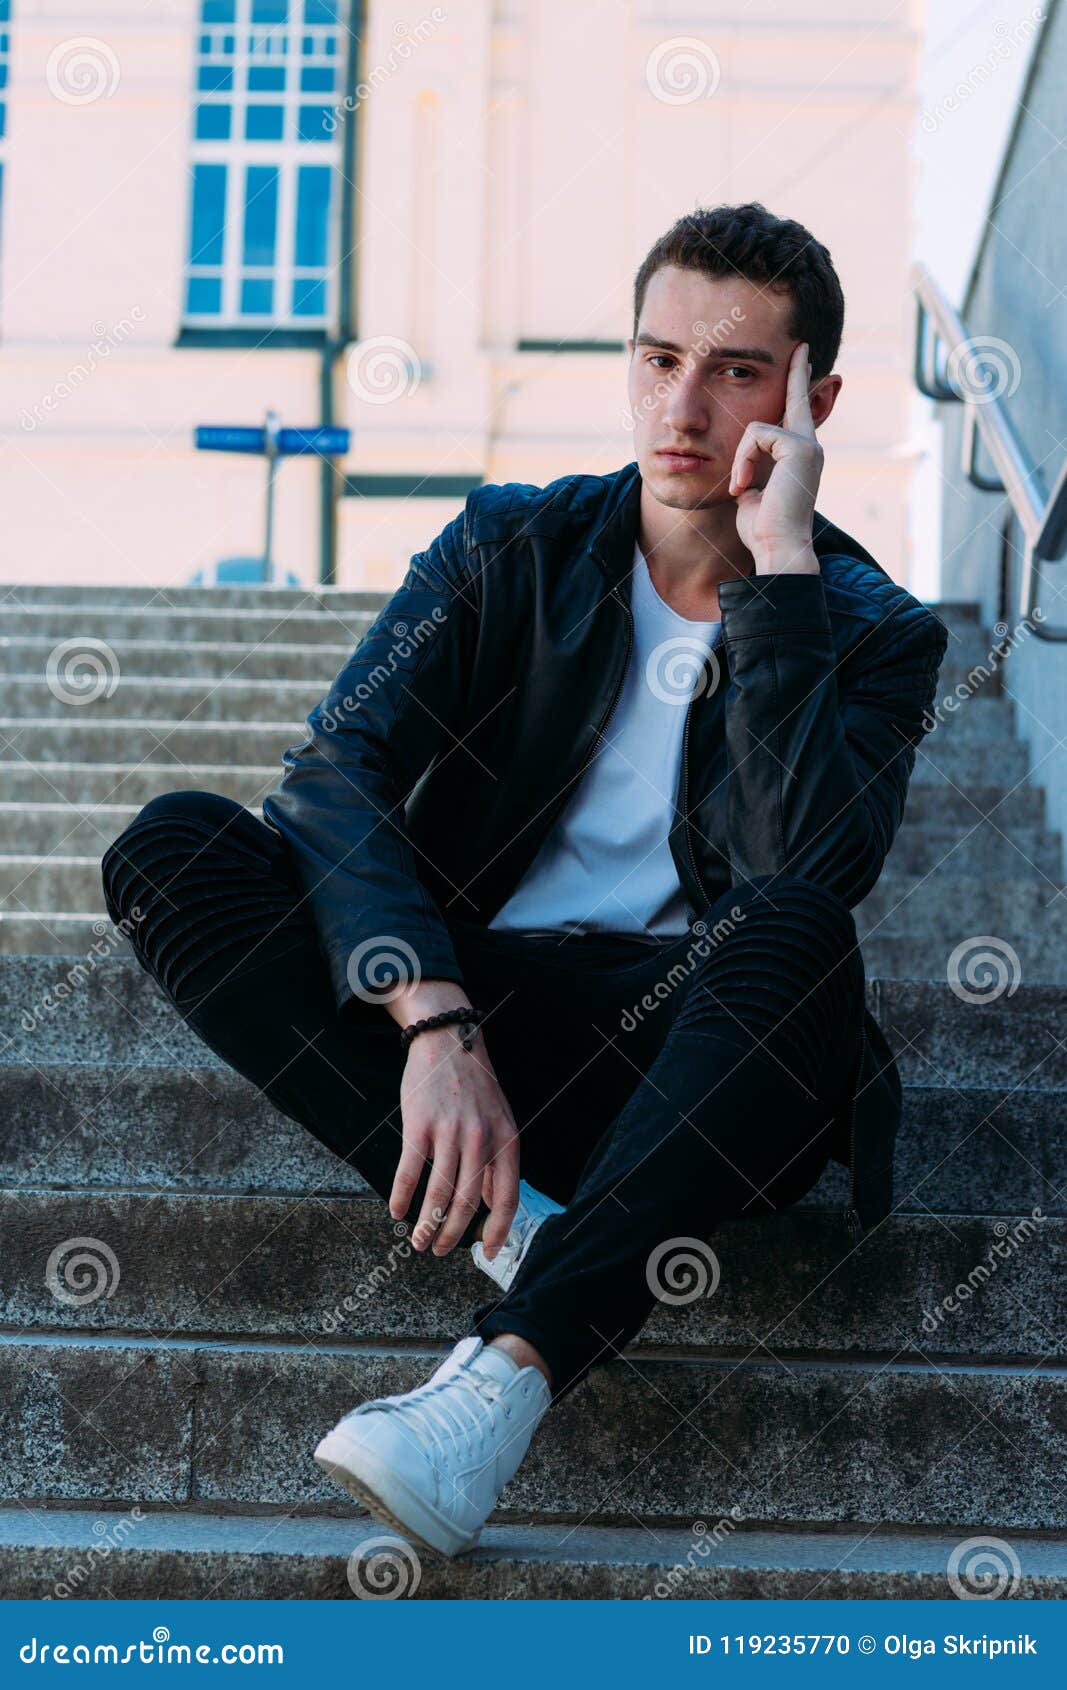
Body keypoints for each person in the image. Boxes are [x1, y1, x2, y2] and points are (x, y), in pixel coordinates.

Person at [100, 201, 947, 1560]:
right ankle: (546, 1239)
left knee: (792, 925)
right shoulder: (510, 545)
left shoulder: (872, 630)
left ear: (813, 398)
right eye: (659, 357)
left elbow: (805, 865)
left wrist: (781, 569)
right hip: (484, 1022)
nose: (685, 404)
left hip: (705, 1067)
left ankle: (503, 1372)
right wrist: (430, 1014)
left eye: (737, 371)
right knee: (175, 845)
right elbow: (335, 772)